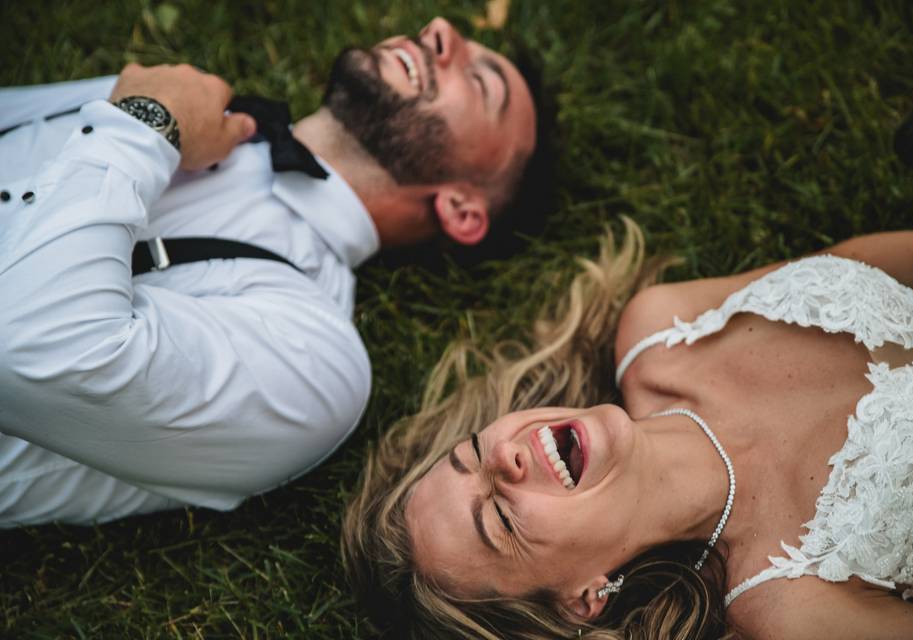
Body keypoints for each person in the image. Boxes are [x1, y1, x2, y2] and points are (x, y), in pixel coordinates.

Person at [0, 17, 549, 527]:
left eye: (480, 83)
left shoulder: (316, 363)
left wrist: (146, 123)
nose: (440, 30)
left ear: (461, 209)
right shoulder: (182, 97)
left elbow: (33, 343)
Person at [342, 218, 913, 639]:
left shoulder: (658, 330)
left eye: (474, 451)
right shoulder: (790, 606)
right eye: (500, 519)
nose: (505, 456)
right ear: (585, 598)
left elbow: (847, 263)